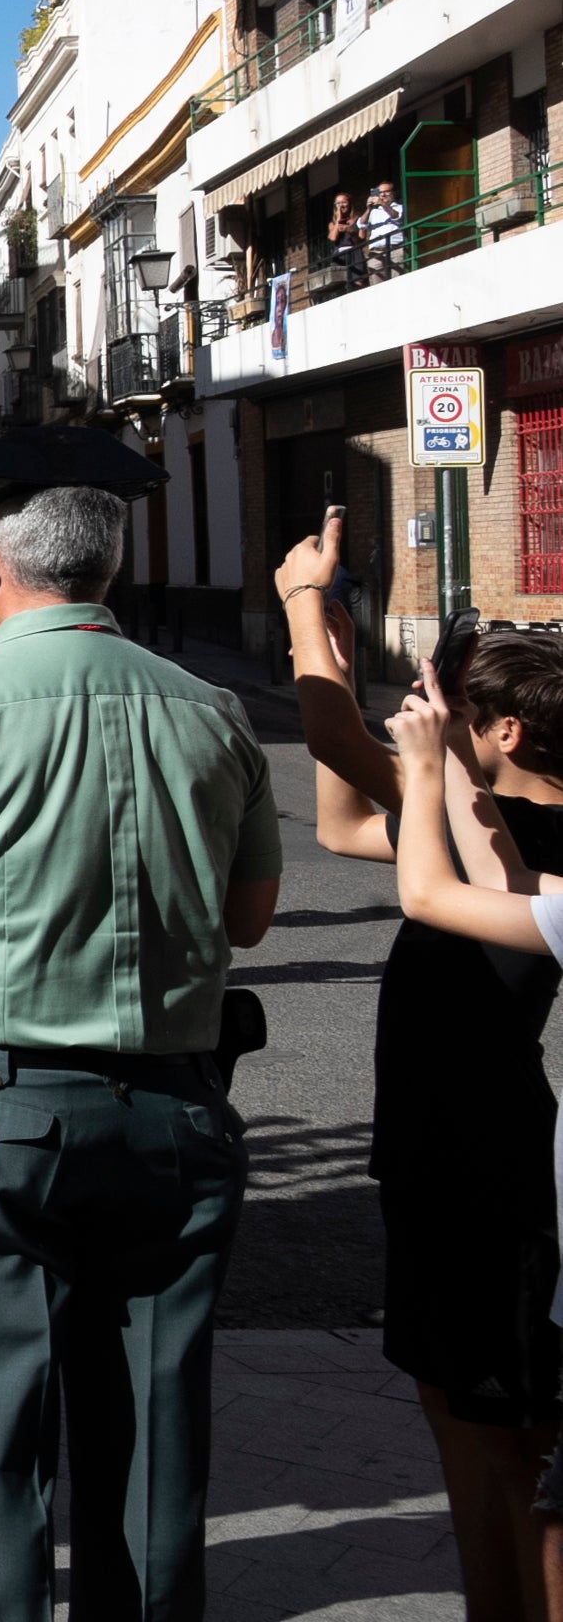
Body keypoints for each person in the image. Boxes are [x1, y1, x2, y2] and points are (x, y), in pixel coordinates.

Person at [0, 426, 281, 1622]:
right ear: (112, 569)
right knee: (158, 1457)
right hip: (175, 1110)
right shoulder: (214, 711)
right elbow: (253, 915)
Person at [281, 509, 563, 1617]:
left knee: (502, 1439)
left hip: (485, 1164)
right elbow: (346, 819)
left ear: (507, 736)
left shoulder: (509, 838)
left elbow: (339, 748)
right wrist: (344, 670)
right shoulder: (488, 816)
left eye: (453, 713)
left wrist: (306, 605)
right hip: (443, 1152)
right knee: (464, 1425)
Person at [373, 632, 563, 1616]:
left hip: (506, 1169)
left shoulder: (554, 859)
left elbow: (430, 891)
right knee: (465, 1418)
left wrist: (421, 764)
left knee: (526, 1446)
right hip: (441, 1154)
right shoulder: (516, 851)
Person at [366, 179, 408, 279]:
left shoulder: (400, 207)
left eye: (386, 191)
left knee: (398, 281)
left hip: (395, 249)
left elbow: (397, 217)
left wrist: (383, 204)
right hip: (376, 252)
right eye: (380, 192)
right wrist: (368, 209)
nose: (383, 195)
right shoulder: (374, 211)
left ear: (393, 193)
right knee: (376, 286)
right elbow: (361, 225)